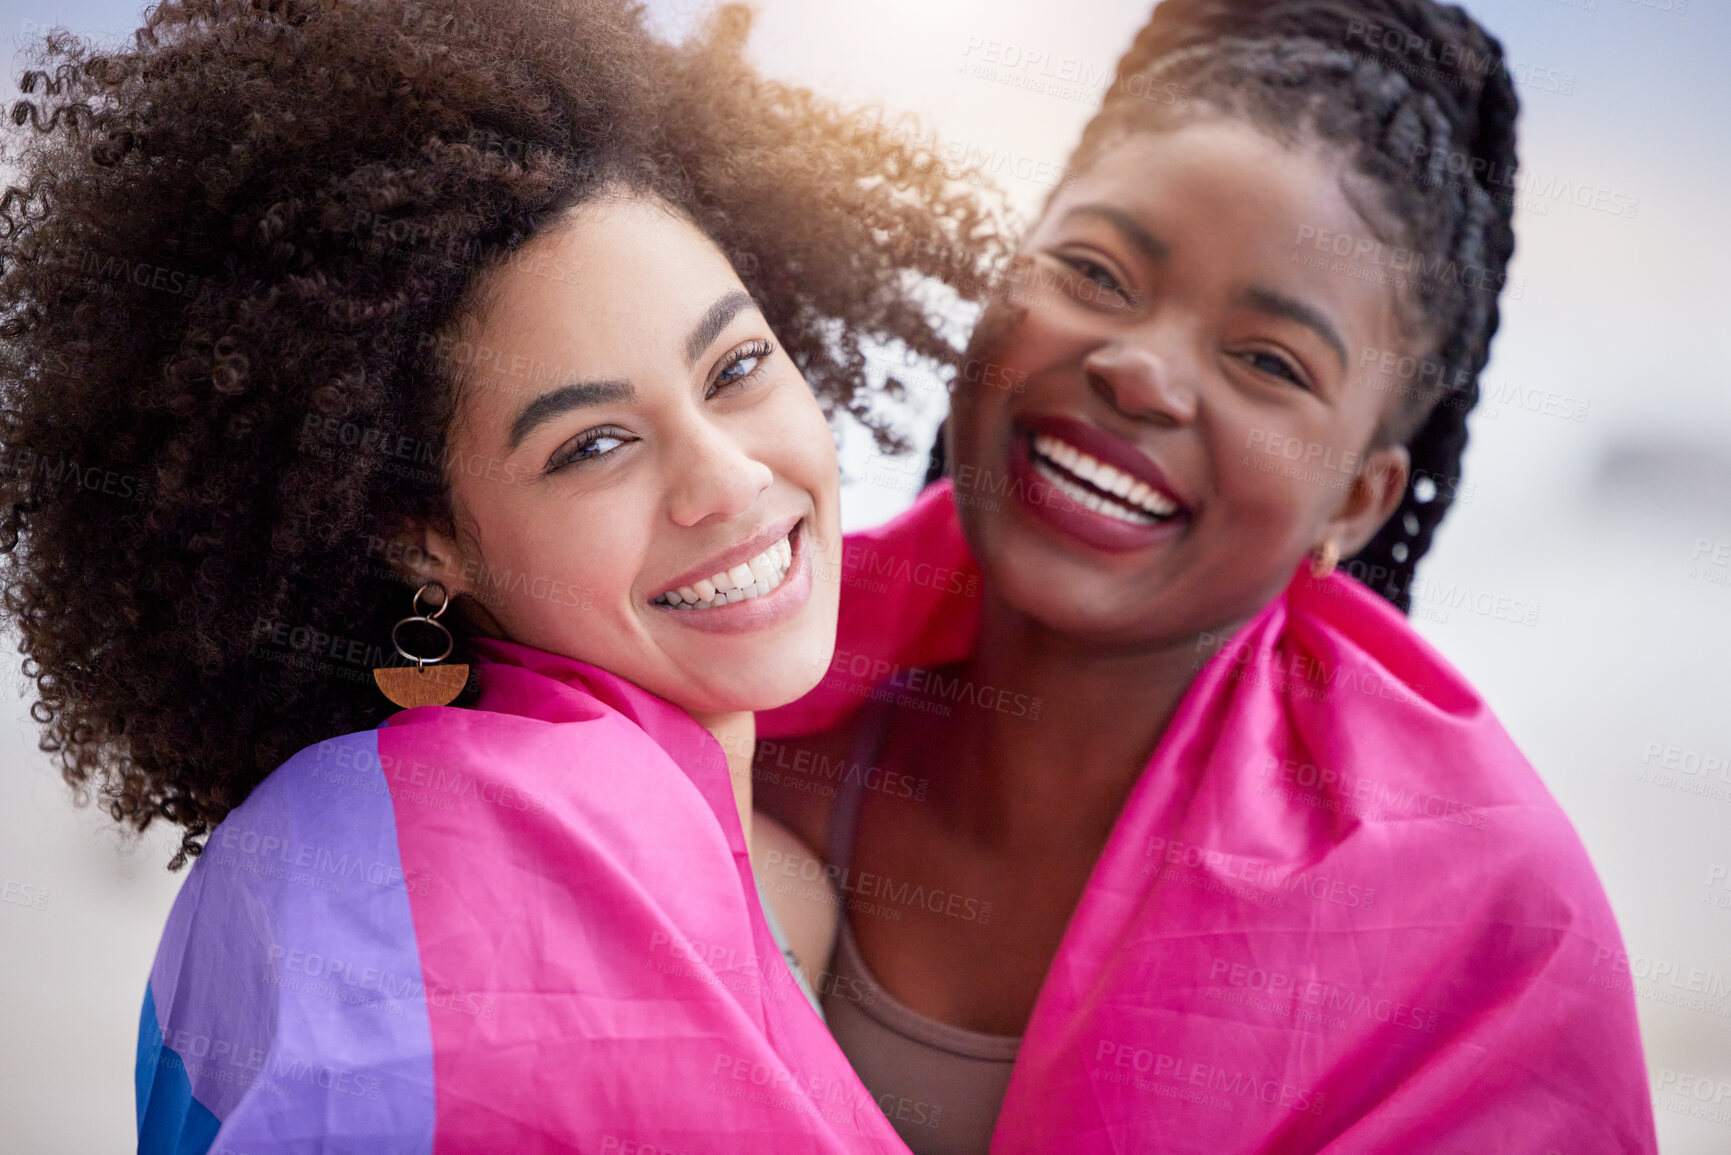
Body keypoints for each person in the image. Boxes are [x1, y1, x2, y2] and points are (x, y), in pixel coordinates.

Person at [0, 0, 998, 1148]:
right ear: (421, 536)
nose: (725, 481)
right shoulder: (468, 871)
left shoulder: (760, 874)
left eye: (735, 367)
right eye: (593, 445)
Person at [753, 1, 1658, 1151]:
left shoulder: (1483, 930)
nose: (1142, 373)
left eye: (1269, 361)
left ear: (1358, 501)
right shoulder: (726, 690)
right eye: (1095, 270)